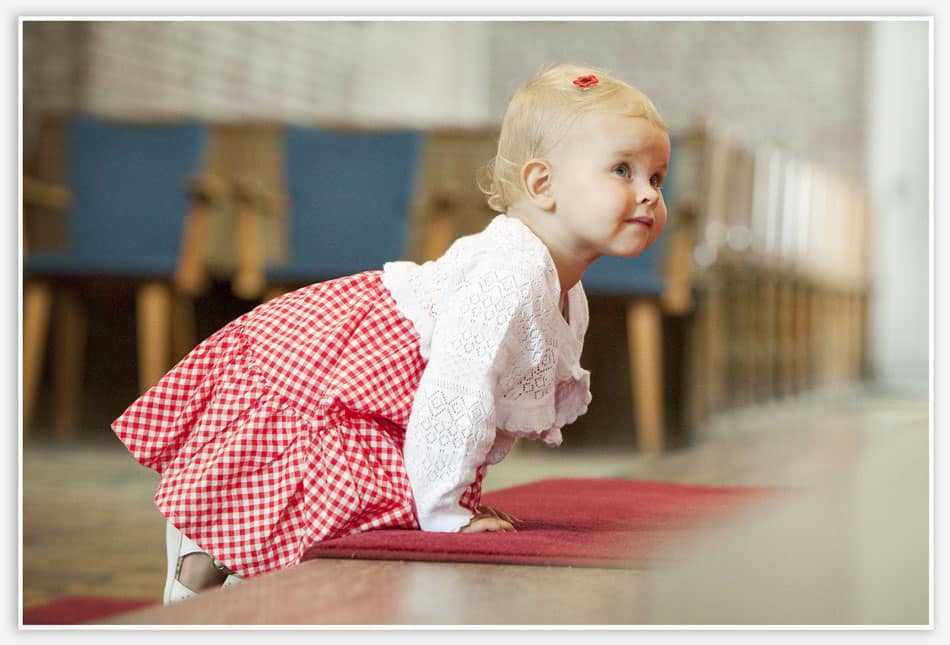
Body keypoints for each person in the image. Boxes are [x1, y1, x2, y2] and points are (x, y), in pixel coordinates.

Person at [111, 63, 670, 604]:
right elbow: (458, 392)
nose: (647, 193)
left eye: (656, 177)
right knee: (334, 476)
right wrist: (448, 513)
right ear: (542, 184)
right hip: (331, 359)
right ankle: (205, 546)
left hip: (385, 388)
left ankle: (241, 564)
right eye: (622, 170)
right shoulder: (511, 272)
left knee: (382, 495)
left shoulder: (563, 286)